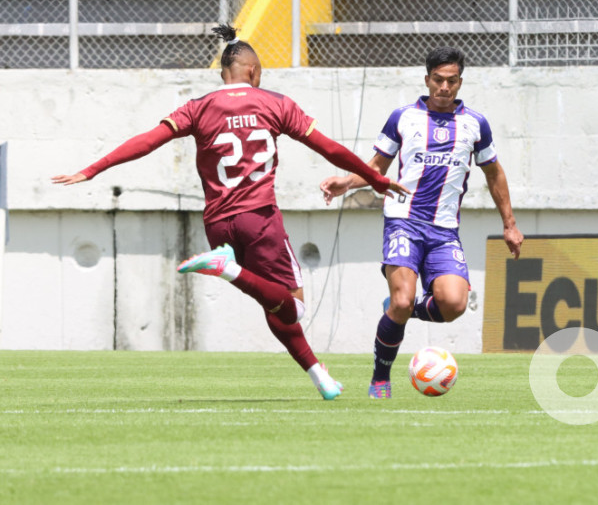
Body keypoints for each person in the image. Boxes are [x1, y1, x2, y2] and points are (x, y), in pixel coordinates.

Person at [52, 23, 408, 400]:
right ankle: (230, 270)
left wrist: (92, 169)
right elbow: (329, 149)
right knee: (294, 307)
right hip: (260, 220)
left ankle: (318, 374)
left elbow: (146, 142)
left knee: (273, 302)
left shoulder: (196, 107)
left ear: (223, 72)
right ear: (252, 71)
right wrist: (374, 177)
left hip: (218, 225)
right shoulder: (275, 103)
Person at [320, 46, 524, 398]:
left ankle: (405, 309)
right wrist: (346, 182)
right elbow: (377, 168)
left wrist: (510, 224)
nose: (445, 87)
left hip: (444, 231)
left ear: (460, 82)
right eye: (438, 80)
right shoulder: (403, 117)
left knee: (454, 304)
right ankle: (380, 378)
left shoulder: (476, 125)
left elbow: (494, 174)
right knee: (400, 300)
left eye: (452, 81)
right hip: (403, 222)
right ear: (427, 79)